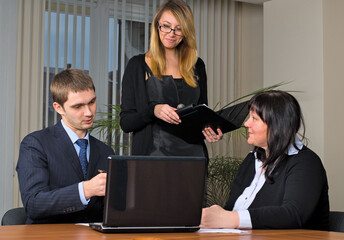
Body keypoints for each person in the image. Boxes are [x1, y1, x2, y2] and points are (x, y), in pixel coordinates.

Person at [200, 90, 329, 230]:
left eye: (254, 119)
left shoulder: (306, 162)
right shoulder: (251, 160)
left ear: (277, 125)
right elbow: (231, 209)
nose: (246, 124)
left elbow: (293, 214)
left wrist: (231, 218)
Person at [120, 0, 223, 158]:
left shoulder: (197, 65)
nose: (171, 34)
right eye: (166, 26)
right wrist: (154, 110)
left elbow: (202, 112)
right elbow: (126, 122)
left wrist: (211, 129)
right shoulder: (137, 65)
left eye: (179, 28)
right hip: (153, 160)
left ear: (186, 32)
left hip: (193, 158)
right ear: (157, 25)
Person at [16, 69, 115, 224]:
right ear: (58, 108)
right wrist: (85, 190)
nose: (89, 112)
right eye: (78, 106)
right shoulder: (35, 144)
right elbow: (34, 204)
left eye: (91, 102)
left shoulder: (106, 151)